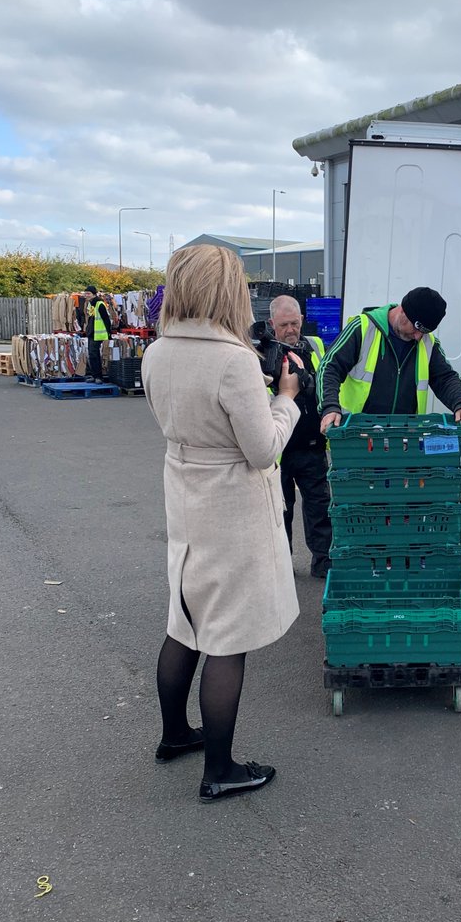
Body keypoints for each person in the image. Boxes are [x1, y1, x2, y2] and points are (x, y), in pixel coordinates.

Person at [141, 243, 302, 804]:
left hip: (184, 493)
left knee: (185, 619)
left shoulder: (157, 352)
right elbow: (262, 452)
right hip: (230, 505)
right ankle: (220, 768)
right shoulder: (233, 360)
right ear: (226, 291)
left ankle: (174, 735)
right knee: (227, 636)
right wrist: (285, 400)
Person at [317, 287, 461, 434]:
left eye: (424, 332)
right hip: (357, 436)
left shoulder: (427, 343)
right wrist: (330, 407)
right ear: (404, 311)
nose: (418, 336)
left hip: (403, 440)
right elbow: (329, 367)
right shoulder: (362, 328)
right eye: (416, 328)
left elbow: (445, 378)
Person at [254, 295, 332, 579]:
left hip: (312, 444)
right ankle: (281, 565)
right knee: (280, 511)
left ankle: (323, 561)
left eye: (295, 323)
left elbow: (325, 382)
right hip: (280, 449)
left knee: (320, 507)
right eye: (284, 324)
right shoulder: (261, 354)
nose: (291, 329)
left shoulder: (315, 346)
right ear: (273, 323)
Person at [82, 285, 112, 382]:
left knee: (94, 354)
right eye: (86, 293)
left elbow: (106, 319)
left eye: (88, 293)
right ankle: (95, 376)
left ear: (94, 294)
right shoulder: (91, 304)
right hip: (92, 332)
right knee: (92, 354)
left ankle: (98, 377)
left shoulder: (100, 304)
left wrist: (109, 333)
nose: (86, 295)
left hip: (98, 334)